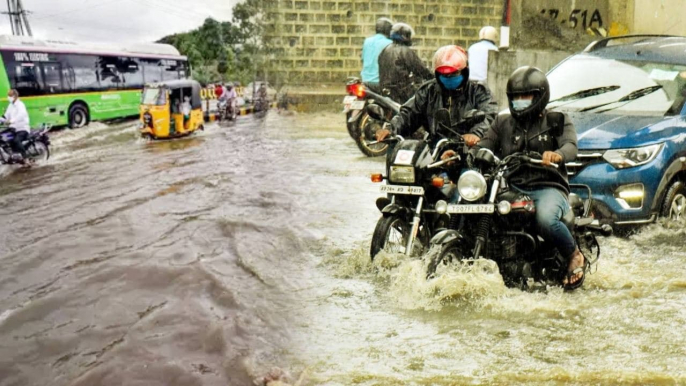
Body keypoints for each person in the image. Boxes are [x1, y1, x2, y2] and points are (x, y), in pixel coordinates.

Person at [476, 66, 585, 290]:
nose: (520, 101)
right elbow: (484, 145)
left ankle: (574, 254)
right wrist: (466, 153)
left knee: (546, 220)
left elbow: (571, 146)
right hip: (512, 186)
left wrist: (558, 155)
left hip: (548, 187)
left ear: (540, 96)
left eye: (526, 96)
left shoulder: (557, 119)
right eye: (516, 97)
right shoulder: (502, 123)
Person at [375, 45, 497, 148]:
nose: (448, 78)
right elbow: (409, 113)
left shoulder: (478, 91)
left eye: (454, 73)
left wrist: (475, 134)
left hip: (468, 149)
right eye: (444, 74)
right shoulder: (428, 91)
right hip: (435, 148)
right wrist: (391, 129)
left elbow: (489, 115)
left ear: (465, 71)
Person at [378, 22, 434, 103]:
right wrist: (433, 77)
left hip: (384, 89)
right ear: (405, 36)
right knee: (422, 101)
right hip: (401, 91)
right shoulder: (406, 51)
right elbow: (420, 69)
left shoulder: (385, 49)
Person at [0, 89, 31, 164]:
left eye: (9, 96)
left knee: (16, 140)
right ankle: (11, 155)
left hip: (22, 128)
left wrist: (12, 121)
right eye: (8, 96)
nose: (8, 97)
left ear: (14, 96)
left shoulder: (20, 105)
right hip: (13, 128)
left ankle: (25, 158)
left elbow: (21, 115)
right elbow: (6, 116)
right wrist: (1, 119)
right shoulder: (10, 105)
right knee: (4, 138)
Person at [360, 17, 393, 86]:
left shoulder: (367, 41)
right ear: (388, 30)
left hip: (365, 81)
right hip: (380, 83)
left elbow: (363, 60)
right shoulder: (390, 43)